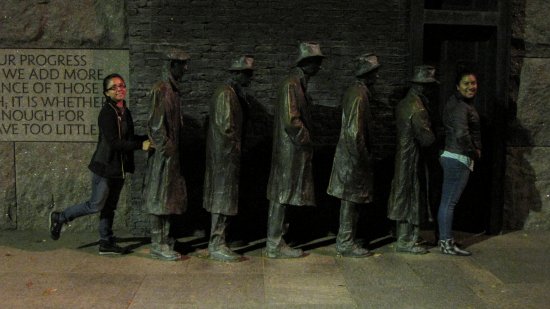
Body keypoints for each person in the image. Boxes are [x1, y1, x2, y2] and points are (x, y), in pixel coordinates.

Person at [49, 73, 151, 255]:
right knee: (95, 205)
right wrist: (139, 145)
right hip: (104, 167)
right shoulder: (106, 114)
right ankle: (61, 216)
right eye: (115, 87)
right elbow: (114, 142)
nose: (120, 89)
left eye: (122, 85)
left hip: (118, 169)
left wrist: (146, 139)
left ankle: (105, 242)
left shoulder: (125, 112)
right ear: (106, 93)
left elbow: (128, 138)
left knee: (109, 207)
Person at [266, 42, 324, 259]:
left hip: (293, 150)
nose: (319, 66)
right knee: (281, 195)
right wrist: (308, 141)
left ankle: (278, 239)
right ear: (306, 63)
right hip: (289, 150)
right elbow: (292, 121)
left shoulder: (298, 84)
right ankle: (274, 243)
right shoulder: (291, 85)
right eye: (317, 62)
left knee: (285, 195)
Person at [327, 53, 379, 258]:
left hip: (351, 157)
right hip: (353, 159)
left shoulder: (358, 92)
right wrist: (364, 157)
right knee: (350, 200)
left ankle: (347, 239)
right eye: (375, 73)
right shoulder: (358, 95)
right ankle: (345, 242)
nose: (377, 77)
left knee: (352, 201)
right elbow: (354, 132)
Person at [203, 55, 255, 262]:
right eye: (246, 74)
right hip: (224, 158)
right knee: (222, 199)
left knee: (226, 199)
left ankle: (222, 238)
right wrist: (237, 148)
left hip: (228, 156)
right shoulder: (226, 94)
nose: (249, 78)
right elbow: (227, 129)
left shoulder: (232, 93)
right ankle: (216, 243)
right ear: (236, 74)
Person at [143, 48, 190, 261]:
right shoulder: (160, 89)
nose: (185, 68)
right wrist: (167, 149)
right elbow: (155, 126)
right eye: (182, 64)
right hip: (163, 156)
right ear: (172, 65)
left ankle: (165, 238)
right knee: (160, 197)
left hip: (171, 156)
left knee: (168, 198)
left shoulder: (174, 90)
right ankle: (157, 243)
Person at [387, 65, 437, 254]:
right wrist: (435, 133)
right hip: (412, 157)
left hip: (402, 154)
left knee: (403, 192)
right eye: (429, 85)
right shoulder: (418, 108)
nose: (431, 89)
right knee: (411, 194)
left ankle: (406, 234)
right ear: (422, 86)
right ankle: (406, 239)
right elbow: (426, 139)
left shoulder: (403, 103)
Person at [437, 70, 481, 256]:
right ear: (457, 86)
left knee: (447, 202)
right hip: (458, 157)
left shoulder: (457, 103)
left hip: (453, 156)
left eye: (473, 83)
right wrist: (474, 151)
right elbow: (462, 134)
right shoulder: (460, 107)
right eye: (466, 83)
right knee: (449, 203)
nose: (471, 86)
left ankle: (445, 240)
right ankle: (446, 243)